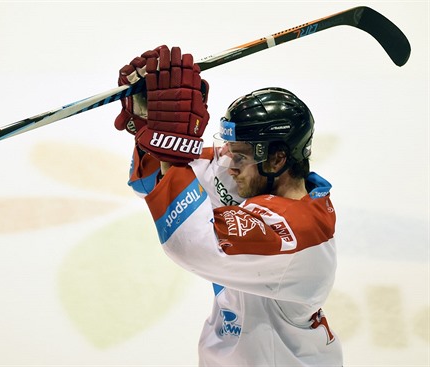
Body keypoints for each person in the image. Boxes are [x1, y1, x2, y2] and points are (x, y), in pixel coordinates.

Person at [114, 45, 343, 366]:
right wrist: (151, 120)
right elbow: (148, 185)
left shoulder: (299, 232)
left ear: (277, 158)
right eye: (228, 148)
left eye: (239, 154)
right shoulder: (251, 176)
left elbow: (190, 244)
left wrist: (172, 148)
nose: (227, 162)